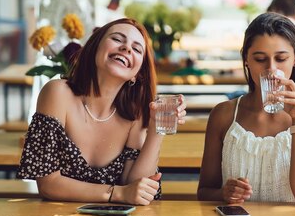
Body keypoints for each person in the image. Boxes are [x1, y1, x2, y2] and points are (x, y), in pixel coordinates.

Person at [18, 18, 187, 204]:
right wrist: (118, 193)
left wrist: (156, 129)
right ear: (94, 48)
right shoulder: (57, 93)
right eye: (117, 39)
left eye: (137, 49)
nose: (127, 48)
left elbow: (137, 186)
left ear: (137, 74)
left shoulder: (134, 112)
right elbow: (48, 184)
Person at [197, 12, 295, 206]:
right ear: (246, 59)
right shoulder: (224, 114)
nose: (271, 69)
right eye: (260, 59)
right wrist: (224, 193)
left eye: (281, 59)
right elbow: (204, 192)